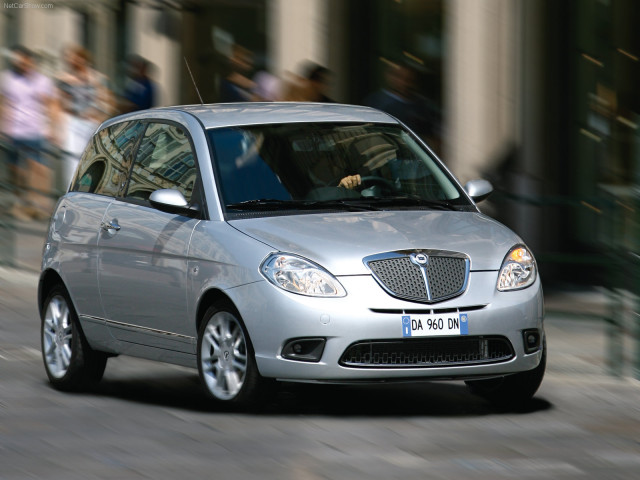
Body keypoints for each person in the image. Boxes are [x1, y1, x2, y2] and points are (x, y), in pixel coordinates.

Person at [0, 45, 58, 220]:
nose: (21, 63)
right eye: (17, 60)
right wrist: (3, 127)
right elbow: (3, 104)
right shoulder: (7, 78)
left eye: (24, 60)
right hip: (14, 131)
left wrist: (53, 128)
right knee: (16, 171)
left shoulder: (42, 81)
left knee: (39, 169)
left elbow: (51, 105)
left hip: (35, 130)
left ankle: (40, 206)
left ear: (31, 61)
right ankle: (20, 205)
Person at [57, 45, 114, 188]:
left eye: (75, 57)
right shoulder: (65, 79)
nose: (72, 61)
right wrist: (57, 126)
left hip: (92, 123)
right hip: (74, 122)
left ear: (83, 59)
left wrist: (101, 116)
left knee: (94, 157)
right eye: (69, 58)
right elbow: (58, 103)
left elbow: (108, 101)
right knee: (72, 160)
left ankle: (92, 190)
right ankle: (70, 190)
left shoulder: (97, 79)